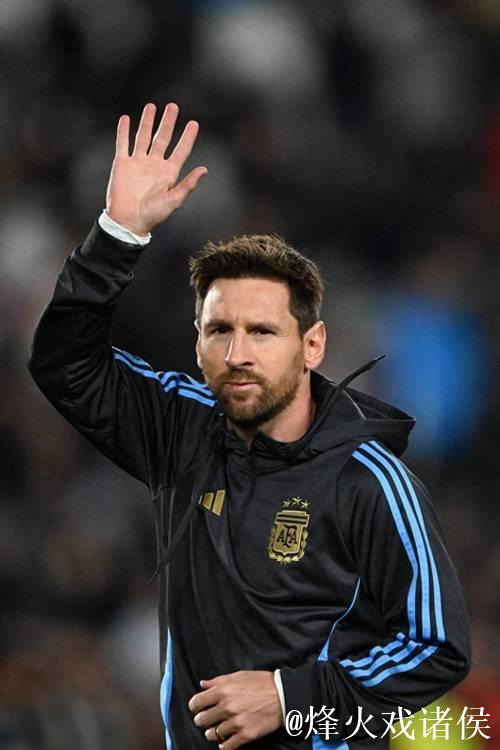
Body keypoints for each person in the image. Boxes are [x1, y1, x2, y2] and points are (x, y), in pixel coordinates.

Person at [29, 103, 471, 750]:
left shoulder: (371, 480)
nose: (238, 353)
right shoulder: (179, 428)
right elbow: (64, 364)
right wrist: (118, 234)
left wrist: (290, 696)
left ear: (312, 346)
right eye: (220, 330)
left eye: (262, 331)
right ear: (198, 342)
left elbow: (436, 645)